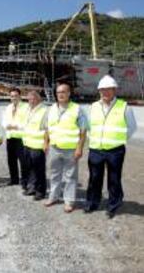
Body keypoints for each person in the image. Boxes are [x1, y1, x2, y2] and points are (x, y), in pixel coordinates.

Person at [85, 75, 137, 218]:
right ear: (99, 91)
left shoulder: (124, 107)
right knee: (94, 178)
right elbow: (89, 126)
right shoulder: (93, 107)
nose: (105, 92)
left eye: (109, 89)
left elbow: (132, 127)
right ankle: (92, 202)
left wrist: (118, 141)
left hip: (115, 150)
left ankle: (113, 205)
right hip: (96, 149)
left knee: (114, 179)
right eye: (102, 90)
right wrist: (95, 140)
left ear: (114, 90)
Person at [44, 83, 87, 212]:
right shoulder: (50, 109)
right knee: (54, 174)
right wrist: (45, 142)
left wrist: (80, 148)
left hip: (70, 149)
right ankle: (54, 196)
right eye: (58, 92)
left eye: (64, 92)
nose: (61, 94)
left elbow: (83, 131)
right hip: (54, 148)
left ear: (69, 93)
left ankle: (69, 201)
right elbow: (47, 128)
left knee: (70, 176)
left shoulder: (77, 109)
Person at [22, 90, 48, 201]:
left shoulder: (44, 110)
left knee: (39, 169)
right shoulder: (28, 109)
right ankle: (31, 188)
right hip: (27, 143)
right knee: (30, 168)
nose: (31, 101)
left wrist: (46, 143)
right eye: (29, 99)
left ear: (38, 99)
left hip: (38, 145)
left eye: (33, 99)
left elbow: (47, 129)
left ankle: (40, 191)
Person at [3, 88, 28, 187]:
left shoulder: (26, 107)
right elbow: (4, 120)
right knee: (11, 160)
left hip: (20, 138)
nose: (14, 98)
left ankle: (25, 180)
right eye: (12, 96)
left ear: (20, 96)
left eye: (16, 95)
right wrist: (6, 125)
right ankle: (14, 179)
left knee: (23, 161)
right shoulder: (8, 107)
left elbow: (27, 121)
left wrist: (15, 126)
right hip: (10, 137)